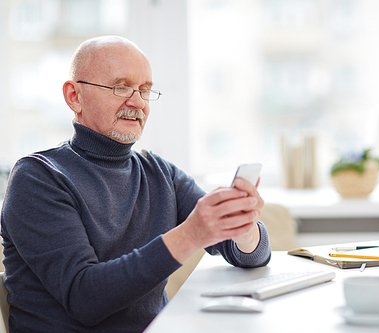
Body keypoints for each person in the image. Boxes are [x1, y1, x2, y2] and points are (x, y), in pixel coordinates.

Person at [0, 35, 271, 332]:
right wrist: (191, 235)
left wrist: (243, 229)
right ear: (74, 97)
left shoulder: (160, 174)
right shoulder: (37, 178)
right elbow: (86, 299)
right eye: (121, 87)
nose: (138, 102)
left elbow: (252, 255)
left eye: (145, 89)